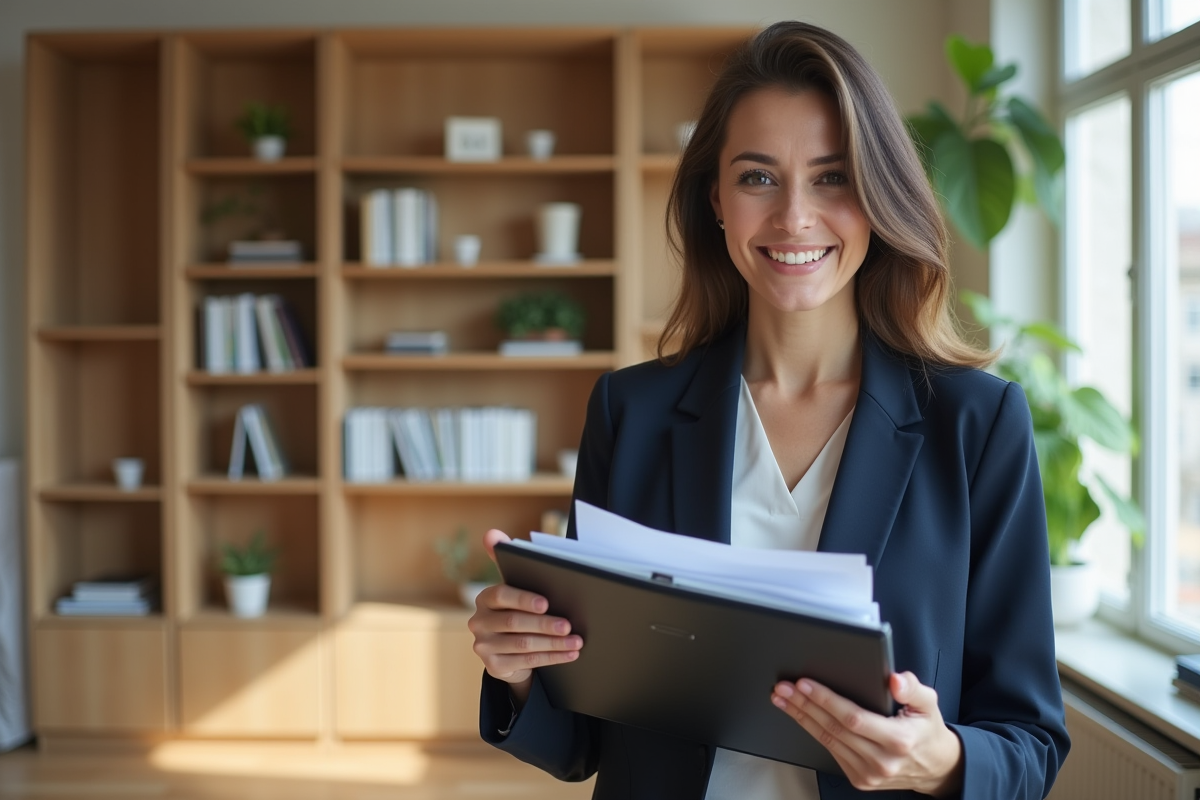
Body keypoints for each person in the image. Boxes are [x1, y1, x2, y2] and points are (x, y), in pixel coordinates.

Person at [467, 20, 1069, 800]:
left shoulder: (977, 427)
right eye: (758, 178)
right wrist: (519, 673)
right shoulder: (632, 411)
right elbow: (584, 739)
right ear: (715, 198)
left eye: (832, 177)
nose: (793, 217)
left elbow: (1030, 741)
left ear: (878, 195)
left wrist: (943, 760)